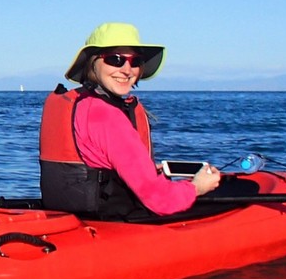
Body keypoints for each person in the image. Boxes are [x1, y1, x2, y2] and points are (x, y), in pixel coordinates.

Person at [39, 22, 221, 222]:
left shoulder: (81, 104)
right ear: (93, 63)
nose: (127, 70)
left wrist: (144, 171)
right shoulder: (106, 115)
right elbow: (160, 200)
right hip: (112, 220)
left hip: (75, 216)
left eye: (135, 61)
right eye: (115, 59)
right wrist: (197, 187)